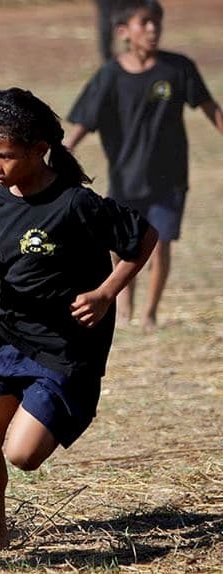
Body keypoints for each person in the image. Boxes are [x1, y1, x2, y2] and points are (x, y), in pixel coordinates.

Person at [0, 88, 157, 555]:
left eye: (6, 155)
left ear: (40, 150)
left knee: (22, 454)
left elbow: (143, 238)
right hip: (3, 334)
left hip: (64, 348)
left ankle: (43, 402)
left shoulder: (76, 203)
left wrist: (105, 293)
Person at [66, 0, 223, 331]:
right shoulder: (109, 76)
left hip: (170, 177)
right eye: (145, 23)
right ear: (123, 31)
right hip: (126, 177)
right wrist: (62, 152)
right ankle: (123, 309)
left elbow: (210, 108)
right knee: (121, 245)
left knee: (161, 242)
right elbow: (84, 120)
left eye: (157, 22)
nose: (153, 29)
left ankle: (150, 313)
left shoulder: (177, 68)